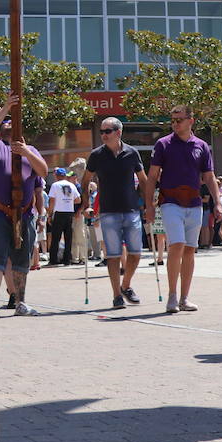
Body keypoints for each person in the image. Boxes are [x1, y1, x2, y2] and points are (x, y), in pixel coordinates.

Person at [0, 95, 48, 319]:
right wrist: (5, 108)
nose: (8, 128)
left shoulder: (30, 149)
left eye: (12, 124)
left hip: (24, 213)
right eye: (5, 125)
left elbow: (43, 172)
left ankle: (21, 302)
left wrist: (26, 152)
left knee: (21, 260)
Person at [147, 105, 222, 314]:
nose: (175, 123)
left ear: (191, 120)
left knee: (190, 249)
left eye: (179, 119)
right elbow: (152, 176)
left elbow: (209, 176)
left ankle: (184, 298)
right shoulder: (163, 144)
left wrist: (217, 202)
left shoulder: (201, 146)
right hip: (170, 201)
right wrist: (149, 207)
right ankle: (172, 296)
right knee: (177, 244)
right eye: (172, 120)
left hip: (194, 202)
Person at [79, 116, 153, 309]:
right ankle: (116, 295)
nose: (103, 135)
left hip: (131, 210)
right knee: (113, 255)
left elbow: (143, 181)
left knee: (136, 254)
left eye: (107, 131)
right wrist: (86, 205)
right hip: (108, 212)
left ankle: (126, 285)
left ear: (118, 132)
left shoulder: (132, 153)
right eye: (102, 132)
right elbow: (85, 181)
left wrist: (148, 205)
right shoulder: (96, 155)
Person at [46, 168, 81, 266]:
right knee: (68, 237)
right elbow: (78, 200)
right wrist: (68, 201)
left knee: (55, 237)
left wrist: (49, 214)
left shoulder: (55, 185)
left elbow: (52, 201)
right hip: (69, 212)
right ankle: (67, 260)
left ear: (56, 176)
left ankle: (53, 259)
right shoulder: (71, 185)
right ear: (65, 175)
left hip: (59, 212)